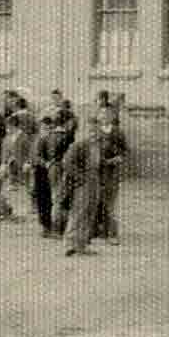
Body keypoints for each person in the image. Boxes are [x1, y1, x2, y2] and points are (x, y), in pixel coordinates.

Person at [59, 115, 107, 256]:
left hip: (95, 181)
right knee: (78, 212)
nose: (94, 133)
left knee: (90, 212)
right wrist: (79, 177)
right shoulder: (78, 145)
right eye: (91, 130)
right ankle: (69, 244)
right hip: (82, 183)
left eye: (96, 130)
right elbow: (66, 163)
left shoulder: (98, 146)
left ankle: (82, 245)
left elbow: (99, 163)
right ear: (84, 131)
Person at [96, 107, 129, 243]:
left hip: (112, 172)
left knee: (110, 202)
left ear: (112, 117)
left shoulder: (118, 132)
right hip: (97, 171)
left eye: (107, 114)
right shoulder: (95, 131)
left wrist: (118, 158)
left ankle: (112, 233)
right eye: (102, 114)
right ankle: (98, 231)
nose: (104, 117)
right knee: (97, 201)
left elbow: (125, 151)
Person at [31, 115, 62, 237]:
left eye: (48, 127)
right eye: (44, 127)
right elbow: (35, 156)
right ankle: (45, 226)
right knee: (43, 200)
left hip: (48, 171)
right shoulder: (40, 138)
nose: (45, 129)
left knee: (49, 200)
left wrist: (47, 163)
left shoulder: (49, 138)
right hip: (41, 171)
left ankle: (50, 226)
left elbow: (39, 156)